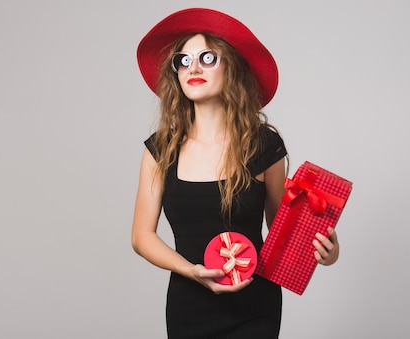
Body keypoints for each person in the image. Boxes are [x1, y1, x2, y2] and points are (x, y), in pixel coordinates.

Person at [131, 8, 340, 338]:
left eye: (207, 57)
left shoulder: (264, 146)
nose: (193, 67)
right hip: (189, 304)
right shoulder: (161, 149)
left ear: (232, 66)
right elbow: (141, 237)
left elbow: (281, 231)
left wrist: (326, 251)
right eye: (183, 61)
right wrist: (190, 270)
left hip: (256, 307)